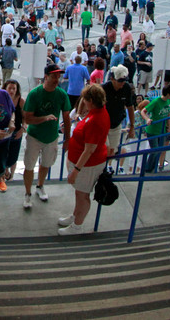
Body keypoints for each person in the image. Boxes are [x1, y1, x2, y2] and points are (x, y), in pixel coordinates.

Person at [58, 83, 111, 235]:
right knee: (79, 193)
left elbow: (89, 150)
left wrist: (75, 170)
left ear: (91, 101)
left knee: (83, 195)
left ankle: (77, 226)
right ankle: (75, 216)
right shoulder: (96, 112)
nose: (83, 102)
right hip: (84, 163)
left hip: (88, 166)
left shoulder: (96, 120)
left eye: (85, 100)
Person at [23, 64, 72, 209]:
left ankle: (40, 186)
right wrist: (44, 118)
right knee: (29, 166)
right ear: (46, 77)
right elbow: (28, 119)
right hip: (34, 137)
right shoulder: (35, 94)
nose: (57, 79)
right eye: (54, 76)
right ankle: (27, 193)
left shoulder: (62, 94)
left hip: (52, 137)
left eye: (58, 76)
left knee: (46, 164)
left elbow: (67, 117)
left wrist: (68, 139)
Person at [141, 85, 170, 173]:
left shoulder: (169, 101)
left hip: (162, 129)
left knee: (159, 149)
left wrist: (168, 126)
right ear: (168, 94)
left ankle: (153, 168)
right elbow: (143, 111)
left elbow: (168, 114)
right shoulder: (156, 101)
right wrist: (147, 119)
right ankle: (147, 169)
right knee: (154, 149)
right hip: (152, 130)